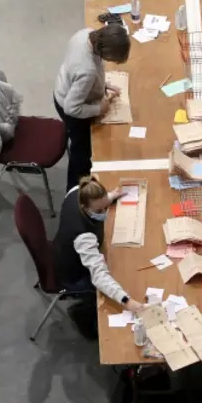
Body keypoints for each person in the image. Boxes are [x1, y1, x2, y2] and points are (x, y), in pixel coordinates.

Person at [52, 175, 144, 319]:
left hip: (60, 248)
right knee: (122, 276)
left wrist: (112, 196)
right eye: (99, 210)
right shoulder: (84, 237)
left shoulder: (77, 191)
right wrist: (127, 301)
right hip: (75, 273)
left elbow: (99, 199)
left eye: (105, 207)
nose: (104, 213)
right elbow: (99, 276)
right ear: (85, 207)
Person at [54, 23, 131, 190]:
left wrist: (102, 85)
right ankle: (76, 193)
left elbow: (83, 71)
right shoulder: (86, 70)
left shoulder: (86, 34)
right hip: (71, 107)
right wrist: (99, 109)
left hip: (65, 86)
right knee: (81, 154)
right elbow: (71, 108)